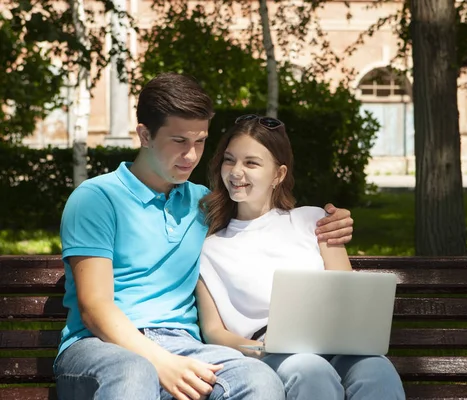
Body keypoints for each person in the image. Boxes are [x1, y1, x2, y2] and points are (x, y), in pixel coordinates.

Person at [54, 73, 354, 400]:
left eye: (200, 142)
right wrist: (159, 361)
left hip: (185, 345)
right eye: (179, 141)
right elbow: (95, 307)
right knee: (134, 371)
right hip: (100, 346)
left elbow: (263, 217)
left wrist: (333, 221)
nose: (192, 156)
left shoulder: (202, 204)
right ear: (144, 135)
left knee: (258, 378)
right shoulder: (96, 198)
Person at [197, 114, 405, 400]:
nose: (235, 172)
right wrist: (260, 348)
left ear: (278, 175)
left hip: (336, 344)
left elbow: (348, 294)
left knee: (376, 370)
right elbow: (213, 331)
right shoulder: (211, 247)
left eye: (251, 163)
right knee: (310, 370)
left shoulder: (313, 220)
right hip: (273, 355)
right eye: (229, 160)